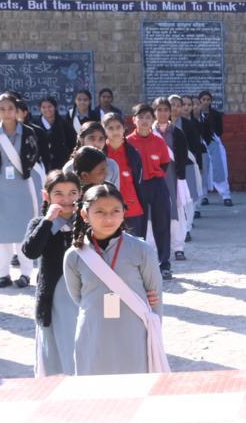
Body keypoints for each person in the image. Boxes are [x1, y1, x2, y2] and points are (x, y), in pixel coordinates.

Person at [64, 182, 169, 375]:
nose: (109, 218)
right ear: (85, 215)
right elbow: (77, 296)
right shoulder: (74, 255)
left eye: (115, 211)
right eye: (100, 212)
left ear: (124, 213)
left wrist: (154, 334)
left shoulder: (142, 250)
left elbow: (155, 295)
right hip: (93, 331)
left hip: (134, 331)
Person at [23, 170, 82, 376]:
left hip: (83, 295)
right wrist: (48, 220)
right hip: (54, 297)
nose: (66, 199)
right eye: (59, 193)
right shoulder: (40, 224)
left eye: (72, 192)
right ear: (46, 196)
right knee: (56, 345)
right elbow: (30, 251)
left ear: (80, 194)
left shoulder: (87, 222)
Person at [0, 93, 40, 289]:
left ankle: (25, 274)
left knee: (24, 231)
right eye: (2, 108)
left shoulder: (28, 132)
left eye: (11, 108)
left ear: (18, 111)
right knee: (1, 232)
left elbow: (32, 156)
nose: (7, 112)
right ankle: (3, 274)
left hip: (21, 186)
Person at [126, 104, 174, 280]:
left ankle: (164, 264)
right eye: (141, 117)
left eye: (148, 117)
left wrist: (155, 175)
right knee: (138, 226)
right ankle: (138, 264)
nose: (144, 121)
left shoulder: (159, 141)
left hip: (157, 184)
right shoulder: (128, 142)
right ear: (134, 120)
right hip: (137, 186)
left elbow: (164, 163)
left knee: (162, 223)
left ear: (152, 120)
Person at [153, 98, 190, 262]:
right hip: (153, 176)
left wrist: (181, 177)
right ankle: (154, 247)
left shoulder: (176, 132)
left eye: (165, 110)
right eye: (159, 109)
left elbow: (181, 156)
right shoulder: (147, 132)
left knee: (175, 210)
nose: (162, 113)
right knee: (153, 212)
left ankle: (178, 247)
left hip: (172, 176)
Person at [102, 113, 145, 234]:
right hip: (106, 207)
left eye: (118, 127)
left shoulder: (133, 153)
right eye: (110, 128)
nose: (115, 131)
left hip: (131, 207)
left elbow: (139, 181)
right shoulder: (100, 153)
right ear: (104, 130)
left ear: (124, 128)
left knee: (134, 246)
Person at [198, 91, 233, 206]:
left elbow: (220, 130)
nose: (206, 102)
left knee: (219, 169)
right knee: (202, 171)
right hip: (200, 146)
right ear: (200, 101)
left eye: (208, 99)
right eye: (203, 99)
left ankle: (225, 195)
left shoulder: (216, 114)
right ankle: (203, 196)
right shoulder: (196, 114)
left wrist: (212, 136)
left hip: (214, 144)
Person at [36, 97, 74, 171]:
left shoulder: (64, 124)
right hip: (42, 164)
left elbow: (72, 143)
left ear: (55, 107)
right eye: (43, 107)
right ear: (40, 109)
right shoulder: (35, 125)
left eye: (50, 106)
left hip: (61, 163)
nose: (47, 109)